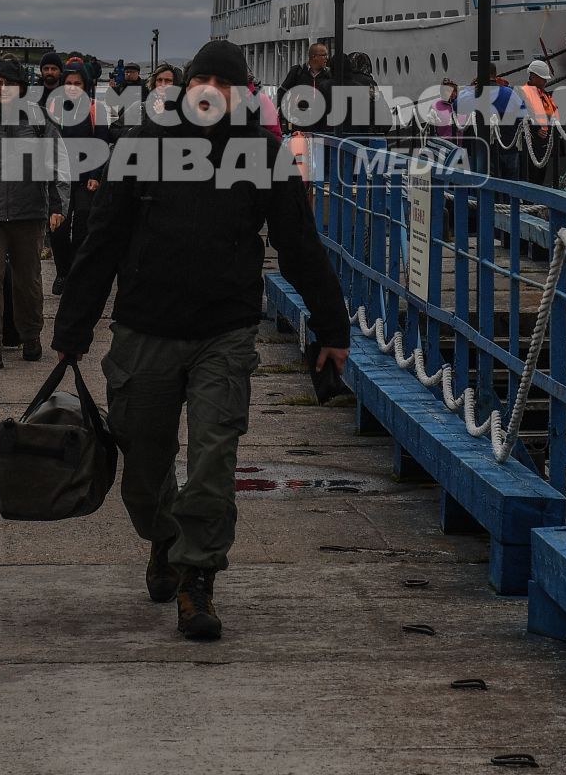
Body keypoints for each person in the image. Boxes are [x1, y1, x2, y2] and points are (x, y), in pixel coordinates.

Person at [54, 40, 349, 641]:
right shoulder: (141, 144)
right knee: (143, 468)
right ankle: (165, 539)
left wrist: (332, 326)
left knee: (214, 458)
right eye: (201, 78)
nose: (210, 89)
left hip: (225, 330)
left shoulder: (263, 154)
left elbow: (298, 244)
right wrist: (72, 330)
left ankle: (197, 577)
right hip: (144, 329)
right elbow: (102, 240)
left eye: (225, 81)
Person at [0, 59, 66, 369]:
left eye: (9, 83)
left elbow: (56, 165)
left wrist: (57, 207)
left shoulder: (39, 122)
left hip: (29, 212)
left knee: (27, 280)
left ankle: (30, 336)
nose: (2, 89)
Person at [47, 65, 110, 295]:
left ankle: (76, 272)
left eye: (78, 84)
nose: (72, 88)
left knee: (83, 231)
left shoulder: (96, 109)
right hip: (60, 180)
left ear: (86, 86)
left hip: (86, 181)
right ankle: (63, 272)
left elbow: (101, 143)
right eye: (68, 84)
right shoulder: (54, 109)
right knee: (59, 230)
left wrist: (95, 176)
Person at [519, 60, 561, 186]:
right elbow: (521, 115)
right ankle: (530, 203)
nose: (545, 81)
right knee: (532, 176)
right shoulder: (524, 92)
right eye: (543, 78)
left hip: (545, 142)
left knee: (541, 175)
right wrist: (535, 129)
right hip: (532, 143)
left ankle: (537, 202)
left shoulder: (544, 93)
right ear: (533, 77)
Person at [278, 42, 332, 133]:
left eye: (327, 55)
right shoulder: (297, 72)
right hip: (300, 123)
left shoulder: (329, 74)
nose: (326, 58)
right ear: (314, 56)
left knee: (319, 146)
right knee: (301, 146)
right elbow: (282, 92)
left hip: (322, 124)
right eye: (324, 55)